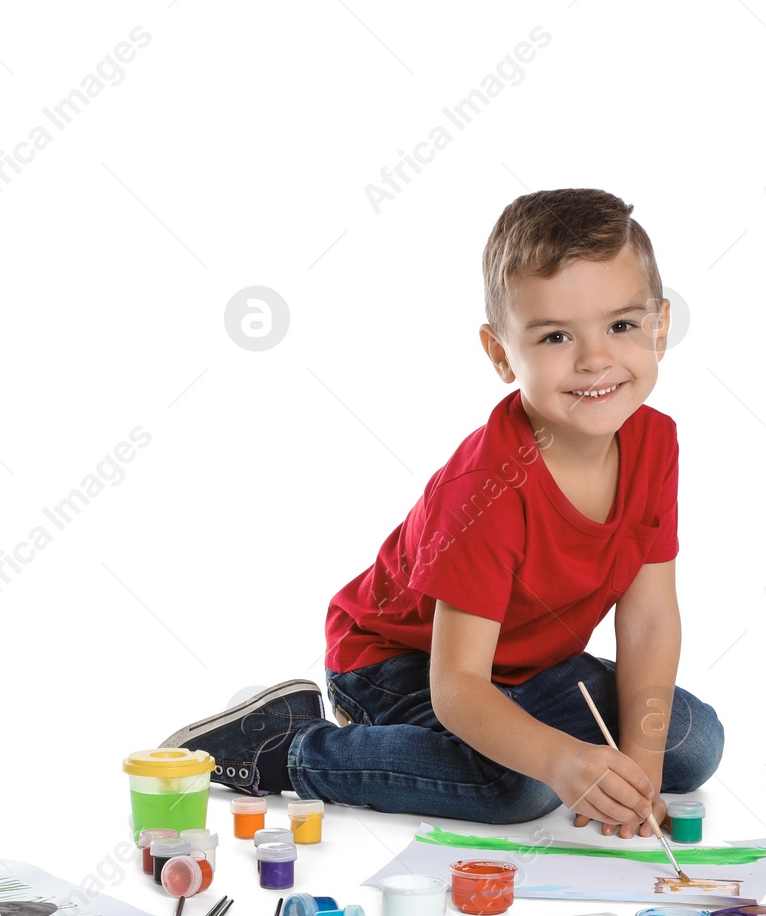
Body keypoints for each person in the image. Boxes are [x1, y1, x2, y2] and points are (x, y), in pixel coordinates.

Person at [161, 188, 723, 838]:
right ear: (500, 354)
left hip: (534, 666)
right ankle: (281, 743)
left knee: (691, 743)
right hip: (399, 663)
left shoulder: (655, 442)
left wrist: (638, 772)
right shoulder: (488, 489)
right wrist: (562, 760)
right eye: (555, 336)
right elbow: (456, 687)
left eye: (621, 325)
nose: (595, 359)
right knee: (517, 787)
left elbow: (651, 619)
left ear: (661, 325)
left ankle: (545, 749)